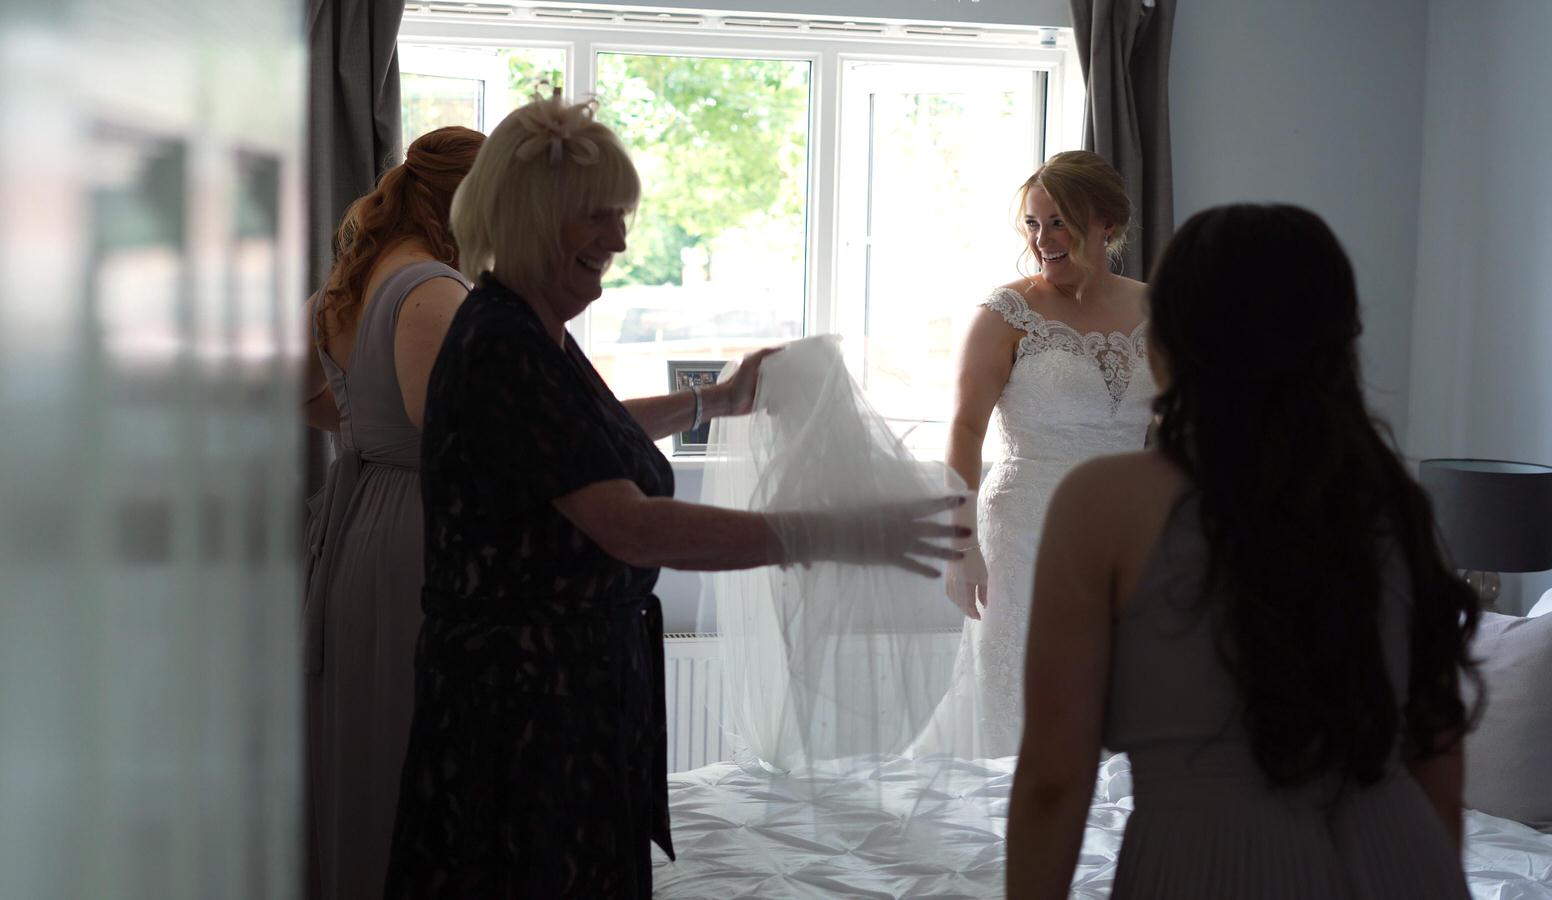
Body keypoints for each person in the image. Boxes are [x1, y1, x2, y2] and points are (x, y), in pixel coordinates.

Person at [382, 88, 967, 899]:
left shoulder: (526, 329)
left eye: (622, 216)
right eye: (598, 216)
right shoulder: (501, 343)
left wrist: (715, 402)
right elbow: (634, 530)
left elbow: (579, 434)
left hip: (554, 694)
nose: (620, 239)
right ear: (529, 215)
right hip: (522, 716)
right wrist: (828, 533)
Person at [1007, 204, 1483, 899]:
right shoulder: (1386, 499)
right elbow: (1437, 750)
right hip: (1399, 853)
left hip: (1205, 864)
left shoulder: (1102, 504)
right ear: (1335, 344)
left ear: (1166, 338)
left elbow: (1055, 777)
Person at [300, 125, 484, 900]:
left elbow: (301, 397)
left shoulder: (350, 281)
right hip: (417, 528)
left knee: (369, 735)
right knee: (414, 743)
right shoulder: (433, 289)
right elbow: (471, 442)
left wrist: (367, 435)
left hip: (358, 516)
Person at [926, 150, 1157, 758]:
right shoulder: (1006, 314)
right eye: (1032, 223)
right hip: (1026, 530)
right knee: (1022, 696)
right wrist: (961, 544)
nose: (1042, 240)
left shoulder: (1158, 310)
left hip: (1129, 535)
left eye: (1059, 223)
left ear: (1105, 222)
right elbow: (965, 428)